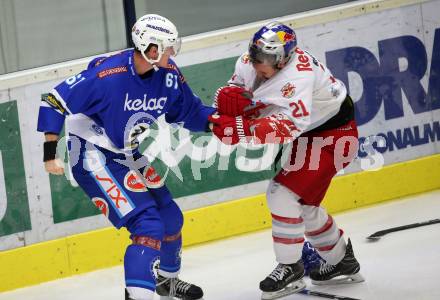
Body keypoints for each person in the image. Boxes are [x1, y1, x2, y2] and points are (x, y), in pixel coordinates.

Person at [37, 14, 215, 300]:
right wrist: (49, 154)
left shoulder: (168, 75)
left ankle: (166, 283)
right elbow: (54, 101)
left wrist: (217, 122)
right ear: (151, 49)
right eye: (168, 48)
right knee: (148, 227)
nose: (173, 53)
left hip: (126, 152)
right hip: (91, 154)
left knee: (170, 218)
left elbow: (189, 111)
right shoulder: (107, 76)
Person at [209, 21, 364, 299]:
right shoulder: (248, 63)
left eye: (268, 58)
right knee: (303, 205)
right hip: (312, 134)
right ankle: (341, 259)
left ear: (284, 58)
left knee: (282, 195)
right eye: (256, 53)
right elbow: (238, 93)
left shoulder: (299, 77)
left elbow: (290, 126)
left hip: (334, 136)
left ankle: (290, 266)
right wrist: (224, 105)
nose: (259, 62)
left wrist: (244, 130)